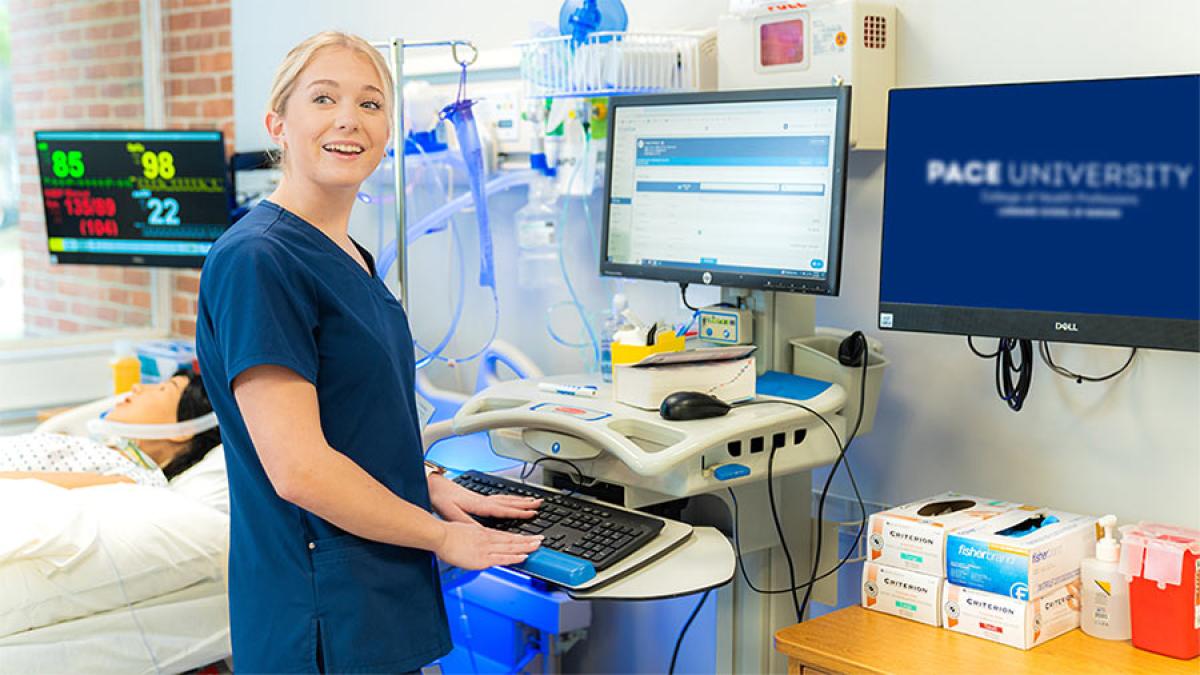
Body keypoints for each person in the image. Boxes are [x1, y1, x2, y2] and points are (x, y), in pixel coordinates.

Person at [196, 31, 543, 673]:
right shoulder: (259, 261)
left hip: (370, 600)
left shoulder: (347, 253)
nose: (349, 120)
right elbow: (300, 470)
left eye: (371, 103)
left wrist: (425, 484)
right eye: (323, 98)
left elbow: (353, 418)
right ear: (277, 124)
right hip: (321, 618)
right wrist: (443, 538)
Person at [0, 370, 220, 488]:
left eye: (163, 389)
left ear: (182, 431)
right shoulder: (111, 450)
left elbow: (38, 487)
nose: (137, 387)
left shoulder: (139, 480)